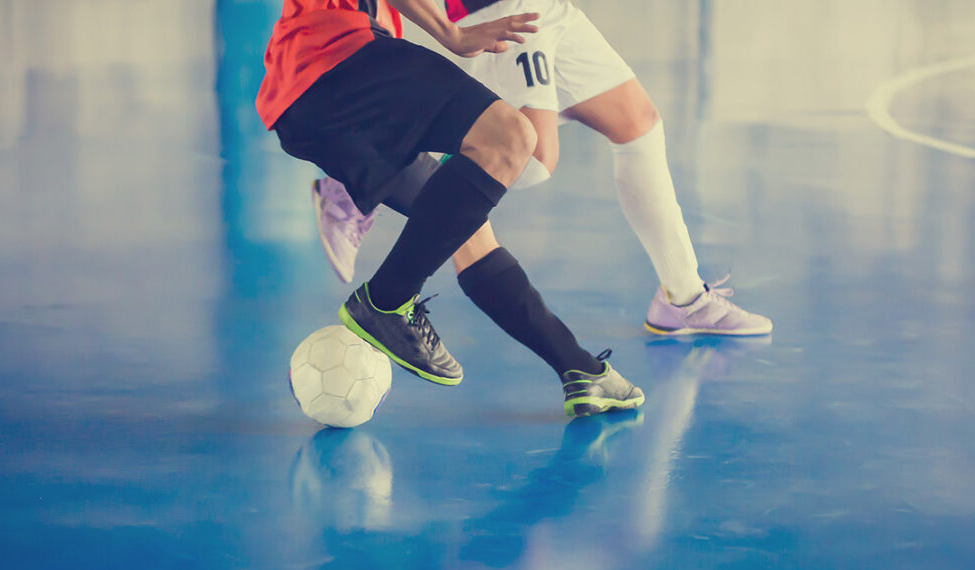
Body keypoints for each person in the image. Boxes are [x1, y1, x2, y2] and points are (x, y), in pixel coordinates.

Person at [259, 0, 643, 416]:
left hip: (309, 104)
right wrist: (452, 34)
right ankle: (385, 299)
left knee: (467, 230)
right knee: (510, 137)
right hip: (336, 55)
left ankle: (580, 370)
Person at [313, 0, 773, 338]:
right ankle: (365, 180)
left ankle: (684, 296)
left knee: (638, 125)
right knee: (526, 158)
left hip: (552, 9)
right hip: (497, 8)